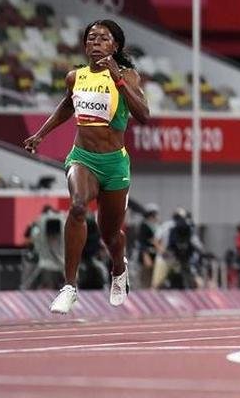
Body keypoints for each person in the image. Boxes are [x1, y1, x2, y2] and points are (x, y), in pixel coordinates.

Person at [23, 19, 150, 313]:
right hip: (83, 157)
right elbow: (68, 105)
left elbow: (143, 115)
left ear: (115, 46)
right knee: (78, 207)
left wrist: (117, 78)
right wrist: (41, 134)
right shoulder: (75, 77)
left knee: (110, 235)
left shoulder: (128, 76)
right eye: (91, 38)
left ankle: (119, 268)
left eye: (102, 38)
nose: (95, 43)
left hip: (115, 164)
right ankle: (69, 286)